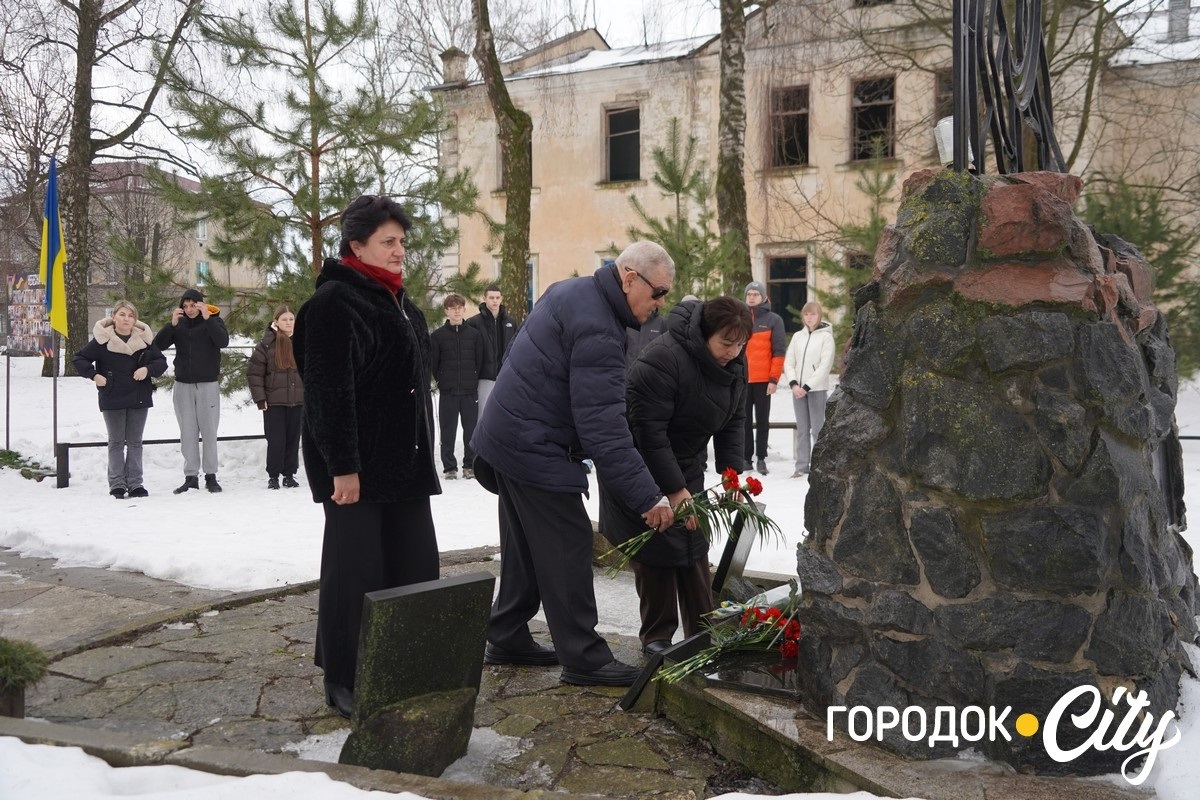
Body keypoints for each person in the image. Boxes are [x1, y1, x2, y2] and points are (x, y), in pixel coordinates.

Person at [471, 241, 676, 687]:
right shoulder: (599, 328)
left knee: (526, 544)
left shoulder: (571, 291)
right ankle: (585, 657)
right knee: (569, 543)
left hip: (508, 434)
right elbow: (603, 427)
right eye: (658, 292)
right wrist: (649, 497)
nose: (661, 303)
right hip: (534, 445)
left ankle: (506, 633)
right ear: (630, 278)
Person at [293, 194, 440, 719]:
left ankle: (401, 663)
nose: (399, 251)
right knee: (354, 574)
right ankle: (344, 677)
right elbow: (329, 394)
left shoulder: (402, 304)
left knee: (414, 567)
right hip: (356, 469)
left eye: (402, 242)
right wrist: (343, 467)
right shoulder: (335, 303)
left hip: (406, 466)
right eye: (388, 242)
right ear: (356, 246)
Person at [600, 296, 750, 654]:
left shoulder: (735, 364)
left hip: (686, 464)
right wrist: (673, 489)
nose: (734, 352)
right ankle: (657, 638)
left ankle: (701, 636)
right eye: (726, 343)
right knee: (657, 547)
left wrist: (731, 474)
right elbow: (649, 434)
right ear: (705, 333)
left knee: (693, 545)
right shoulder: (662, 360)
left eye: (741, 344)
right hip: (640, 467)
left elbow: (735, 420)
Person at [72, 301, 168, 499]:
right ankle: (117, 484)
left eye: (131, 315)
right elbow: (79, 359)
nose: (126, 319)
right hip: (112, 395)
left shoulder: (144, 339)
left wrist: (147, 369)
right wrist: (94, 375)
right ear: (114, 317)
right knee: (116, 442)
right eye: (122, 314)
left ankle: (135, 484)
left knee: (135, 442)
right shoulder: (102, 339)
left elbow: (161, 362)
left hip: (139, 396)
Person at [153, 288, 230, 494]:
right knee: (187, 432)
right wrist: (171, 325)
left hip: (208, 385)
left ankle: (211, 475)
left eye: (193, 305)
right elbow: (158, 345)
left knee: (209, 431)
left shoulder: (214, 321)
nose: (189, 309)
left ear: (201, 305)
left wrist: (208, 319)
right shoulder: (179, 325)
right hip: (183, 385)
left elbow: (223, 341)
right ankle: (190, 476)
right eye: (185, 306)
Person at [247, 306, 305, 490]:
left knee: (293, 440)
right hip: (274, 402)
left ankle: (289, 475)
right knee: (276, 441)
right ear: (276, 322)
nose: (288, 323)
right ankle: (273, 476)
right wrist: (260, 399)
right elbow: (255, 374)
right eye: (284, 319)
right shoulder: (266, 344)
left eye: (291, 319)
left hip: (298, 400)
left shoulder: (302, 342)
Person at [430, 293, 484, 480]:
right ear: (446, 311)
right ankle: (449, 467)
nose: (456, 311)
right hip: (449, 392)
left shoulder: (474, 335)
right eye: (452, 308)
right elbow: (434, 364)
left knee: (471, 430)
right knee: (448, 431)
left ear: (464, 309)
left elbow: (479, 361)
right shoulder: (437, 336)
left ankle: (469, 466)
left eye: (459, 307)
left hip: (469, 391)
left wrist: (472, 379)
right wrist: (443, 381)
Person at [783, 301, 836, 478]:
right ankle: (801, 465)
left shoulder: (826, 338)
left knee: (818, 429)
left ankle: (819, 465)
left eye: (813, 314)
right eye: (806, 314)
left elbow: (824, 366)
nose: (809, 318)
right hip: (798, 390)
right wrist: (794, 384)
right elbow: (789, 362)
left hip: (816, 389)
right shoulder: (798, 336)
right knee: (803, 429)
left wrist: (807, 386)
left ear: (819, 315)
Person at [742, 281, 785, 474]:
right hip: (743, 380)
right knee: (743, 421)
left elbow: (779, 351)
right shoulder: (739, 318)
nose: (752, 297)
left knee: (762, 421)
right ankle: (746, 458)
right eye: (749, 294)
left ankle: (761, 458)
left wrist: (774, 379)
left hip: (763, 381)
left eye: (755, 294)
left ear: (763, 297)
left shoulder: (774, 320)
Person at [466, 284, 519, 411]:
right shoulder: (473, 323)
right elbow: (468, 352)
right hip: (483, 378)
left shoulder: (510, 323)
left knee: (503, 413)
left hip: (505, 377)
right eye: (491, 298)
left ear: (501, 299)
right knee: (483, 414)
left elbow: (516, 349)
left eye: (497, 297)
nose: (495, 301)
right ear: (484, 298)